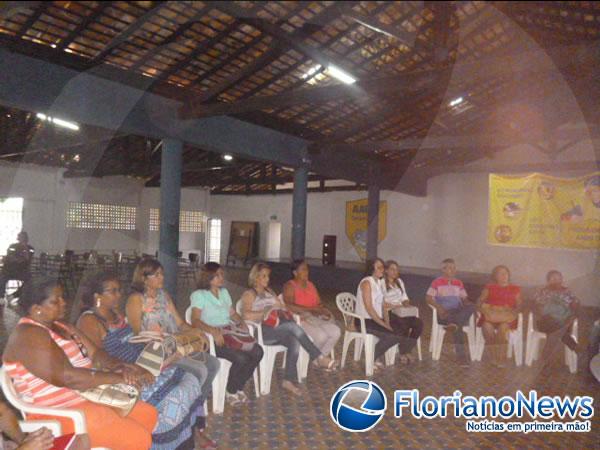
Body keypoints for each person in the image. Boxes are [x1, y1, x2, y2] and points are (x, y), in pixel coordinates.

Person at [2, 278, 158, 450]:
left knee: (149, 415)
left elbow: (97, 354)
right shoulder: (27, 335)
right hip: (57, 412)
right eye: (56, 301)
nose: (64, 303)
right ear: (37, 310)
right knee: (137, 439)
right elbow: (68, 377)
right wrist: (117, 378)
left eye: (62, 297)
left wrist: (122, 366)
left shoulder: (62, 326)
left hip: (87, 396)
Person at [76, 271, 216, 450]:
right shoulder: (89, 320)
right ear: (98, 296)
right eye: (113, 291)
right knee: (177, 395)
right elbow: (99, 361)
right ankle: (168, 442)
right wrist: (132, 368)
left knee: (190, 379)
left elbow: (131, 340)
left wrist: (158, 352)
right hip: (126, 375)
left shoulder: (114, 314)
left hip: (141, 363)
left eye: (119, 290)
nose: (119, 295)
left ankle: (189, 437)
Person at [125, 259, 220, 416]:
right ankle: (191, 415)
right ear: (144, 278)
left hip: (178, 344)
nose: (161, 277)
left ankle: (195, 407)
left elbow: (180, 323)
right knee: (200, 370)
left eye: (162, 274)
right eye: (156, 275)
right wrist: (158, 336)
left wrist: (197, 332)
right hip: (159, 351)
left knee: (214, 364)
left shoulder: (164, 295)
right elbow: (137, 333)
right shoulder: (136, 299)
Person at [241, 262, 335, 396]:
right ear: (255, 277)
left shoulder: (270, 292)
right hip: (261, 331)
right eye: (264, 276)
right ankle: (318, 357)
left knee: (294, 340)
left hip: (277, 328)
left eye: (268, 276)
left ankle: (288, 380)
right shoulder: (250, 294)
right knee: (292, 327)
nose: (267, 279)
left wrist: (280, 307)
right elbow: (245, 315)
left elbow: (282, 308)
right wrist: (265, 312)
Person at [189, 262, 263, 406]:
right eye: (217, 275)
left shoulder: (224, 293)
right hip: (211, 339)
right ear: (208, 277)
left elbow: (232, 313)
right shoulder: (199, 295)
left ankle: (238, 386)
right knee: (241, 358)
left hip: (229, 333)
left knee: (258, 351)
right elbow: (195, 320)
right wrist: (212, 331)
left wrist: (240, 321)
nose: (221, 277)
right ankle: (230, 390)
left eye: (222, 274)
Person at [356, 258, 420, 371]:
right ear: (372, 269)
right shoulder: (367, 282)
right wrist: (384, 324)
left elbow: (383, 306)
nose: (382, 269)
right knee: (392, 335)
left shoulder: (376, 282)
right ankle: (370, 359)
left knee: (397, 332)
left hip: (374, 319)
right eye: (379, 267)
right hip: (365, 320)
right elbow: (369, 309)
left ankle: (374, 356)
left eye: (382, 267)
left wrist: (387, 322)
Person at [282, 260, 341, 360]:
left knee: (336, 331)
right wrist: (311, 310)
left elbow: (319, 303)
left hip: (315, 318)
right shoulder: (290, 286)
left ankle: (319, 359)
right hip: (300, 320)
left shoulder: (310, 285)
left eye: (307, 269)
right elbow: (289, 305)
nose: (306, 272)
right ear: (295, 273)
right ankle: (318, 359)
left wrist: (324, 311)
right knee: (321, 336)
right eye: (303, 270)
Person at [426, 258, 475, 365]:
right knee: (458, 325)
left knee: (472, 307)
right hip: (445, 312)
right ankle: (461, 357)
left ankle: (454, 323)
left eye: (454, 268)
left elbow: (464, 299)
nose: (452, 270)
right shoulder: (437, 282)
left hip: (457, 312)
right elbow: (428, 298)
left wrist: (468, 304)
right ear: (443, 270)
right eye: (449, 268)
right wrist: (438, 307)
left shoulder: (458, 283)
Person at [533, 270, 581, 370]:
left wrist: (572, 306)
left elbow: (576, 306)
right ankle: (573, 345)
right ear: (548, 281)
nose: (556, 281)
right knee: (553, 323)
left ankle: (545, 359)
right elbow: (538, 308)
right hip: (546, 322)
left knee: (558, 328)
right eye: (553, 278)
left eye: (559, 278)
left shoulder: (567, 292)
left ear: (562, 280)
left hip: (563, 322)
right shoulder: (542, 291)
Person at [476, 265, 522, 367]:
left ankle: (499, 357)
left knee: (503, 328)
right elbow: (479, 301)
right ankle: (495, 357)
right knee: (487, 327)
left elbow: (519, 305)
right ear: (495, 276)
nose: (504, 275)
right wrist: (483, 309)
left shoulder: (515, 289)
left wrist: (514, 312)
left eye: (505, 273)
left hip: (506, 318)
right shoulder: (489, 287)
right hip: (491, 316)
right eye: (500, 273)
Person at [381, 260, 423, 363]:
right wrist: (395, 305)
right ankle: (403, 352)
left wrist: (406, 303)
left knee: (419, 323)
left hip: (401, 311)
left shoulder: (399, 282)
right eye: (392, 269)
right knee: (403, 324)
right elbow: (383, 302)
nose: (395, 272)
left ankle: (407, 349)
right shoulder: (381, 283)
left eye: (397, 269)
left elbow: (405, 298)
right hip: (389, 313)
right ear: (386, 271)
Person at [0, 232, 34, 304]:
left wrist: (25, 249)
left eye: (23, 237)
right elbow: (10, 257)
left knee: (30, 280)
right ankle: (1, 297)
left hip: (22, 271)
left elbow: (28, 259)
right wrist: (20, 259)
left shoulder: (30, 248)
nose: (21, 239)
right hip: (10, 270)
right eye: (20, 237)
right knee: (2, 277)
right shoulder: (13, 246)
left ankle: (14, 295)